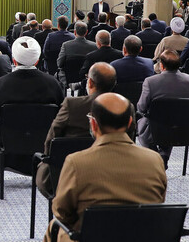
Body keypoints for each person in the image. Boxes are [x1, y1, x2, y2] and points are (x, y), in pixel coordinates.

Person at [37, 92, 167, 242]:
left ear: (93, 124)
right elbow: (158, 206)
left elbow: (61, 212)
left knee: (54, 228)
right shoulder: (155, 160)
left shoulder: (76, 162)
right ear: (130, 123)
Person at [36, 63, 132, 196]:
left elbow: (52, 136)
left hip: (69, 175)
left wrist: (47, 158)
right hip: (114, 174)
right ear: (114, 84)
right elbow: (130, 140)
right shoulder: (126, 106)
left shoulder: (72, 104)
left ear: (90, 83)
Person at [0, 37, 64, 184]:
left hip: (9, 142)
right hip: (44, 142)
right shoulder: (53, 83)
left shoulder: (1, 84)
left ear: (14, 60)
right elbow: (62, 116)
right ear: (37, 61)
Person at [137, 50, 189, 167]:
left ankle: (155, 157)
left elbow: (141, 107)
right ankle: (164, 155)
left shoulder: (151, 82)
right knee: (171, 119)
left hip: (155, 131)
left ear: (161, 65)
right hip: (184, 131)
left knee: (149, 122)